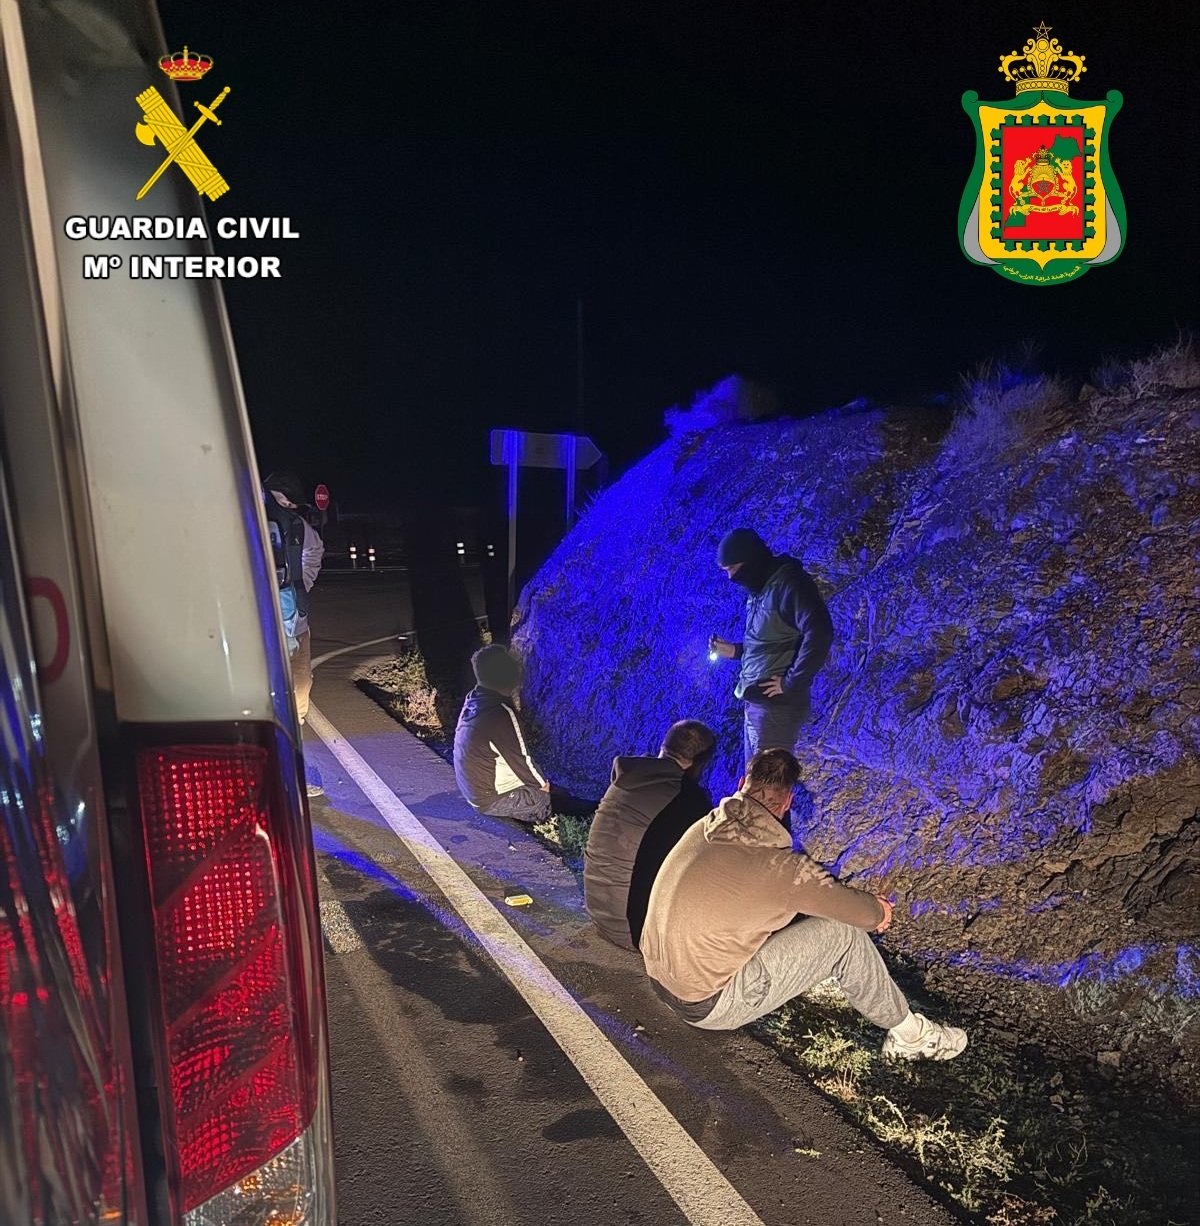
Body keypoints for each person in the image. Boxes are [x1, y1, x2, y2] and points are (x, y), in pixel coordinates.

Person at [640, 748, 967, 1061]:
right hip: (706, 1004)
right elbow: (866, 916)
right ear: (788, 802)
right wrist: (879, 910)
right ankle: (912, 1036)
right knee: (842, 936)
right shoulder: (783, 869)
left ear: (742, 784)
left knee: (786, 916)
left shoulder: (703, 827)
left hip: (657, 977)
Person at [584, 720, 716, 951]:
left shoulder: (628, 772)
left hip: (597, 911)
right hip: (633, 931)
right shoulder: (688, 801)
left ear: (663, 745)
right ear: (700, 763)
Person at [708, 527, 834, 766]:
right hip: (756, 704)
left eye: (733, 569)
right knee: (753, 782)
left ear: (751, 560)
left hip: (776, 709)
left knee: (766, 787)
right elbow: (771, 642)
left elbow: (820, 633)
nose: (731, 577)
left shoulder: (790, 585)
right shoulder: (760, 589)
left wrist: (791, 682)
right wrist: (733, 651)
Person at [454, 645, 592, 823]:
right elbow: (522, 759)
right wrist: (545, 787)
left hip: (475, 792)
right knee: (548, 800)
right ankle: (586, 817)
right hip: (493, 799)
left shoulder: (474, 700)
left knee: (559, 793)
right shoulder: (500, 713)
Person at [264, 471, 325, 795]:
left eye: (288, 503)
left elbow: (314, 552)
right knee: (269, 700)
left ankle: (293, 767)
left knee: (299, 695)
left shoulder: (300, 528)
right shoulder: (246, 519)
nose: (284, 507)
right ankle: (274, 771)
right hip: (262, 629)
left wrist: (302, 583)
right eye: (280, 500)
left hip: (296, 624)